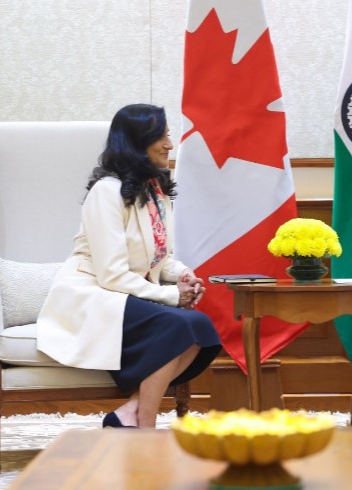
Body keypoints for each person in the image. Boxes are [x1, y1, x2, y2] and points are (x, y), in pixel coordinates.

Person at [37, 103, 221, 429]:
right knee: (178, 325)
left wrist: (183, 276)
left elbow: (160, 259)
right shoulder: (106, 192)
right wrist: (171, 297)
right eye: (161, 135)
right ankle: (146, 424)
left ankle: (129, 416)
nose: (169, 143)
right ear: (136, 141)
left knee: (202, 328)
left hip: (126, 294)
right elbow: (111, 274)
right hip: (92, 294)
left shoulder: (156, 191)